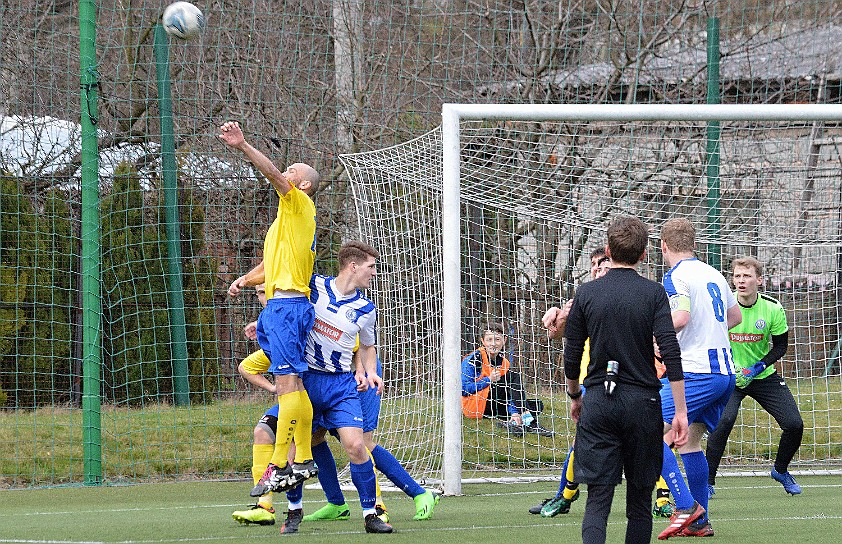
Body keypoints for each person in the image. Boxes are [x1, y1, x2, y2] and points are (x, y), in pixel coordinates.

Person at [562, 215, 688, 544]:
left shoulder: (586, 293)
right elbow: (671, 353)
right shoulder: (654, 293)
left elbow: (572, 355)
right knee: (639, 506)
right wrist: (681, 411)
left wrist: (576, 396)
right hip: (643, 405)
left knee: (598, 502)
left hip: (600, 402)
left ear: (607, 250)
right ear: (645, 254)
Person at [533, 250, 676, 519]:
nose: (599, 270)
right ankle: (565, 494)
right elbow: (557, 334)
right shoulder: (583, 298)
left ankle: (661, 498)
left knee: (651, 440)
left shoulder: (636, 295)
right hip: (595, 381)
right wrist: (555, 315)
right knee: (582, 442)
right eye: (595, 267)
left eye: (603, 266)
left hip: (634, 382)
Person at [220, 120, 321, 496]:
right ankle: (304, 458)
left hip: (287, 306)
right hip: (285, 306)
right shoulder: (285, 222)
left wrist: (243, 145)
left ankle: (282, 463)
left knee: (286, 386)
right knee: (290, 384)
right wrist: (245, 281)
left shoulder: (297, 202)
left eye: (293, 171)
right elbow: (270, 265)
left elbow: (274, 174)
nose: (285, 174)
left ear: (304, 184)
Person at [656, 218, 742, 540]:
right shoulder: (714, 273)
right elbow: (734, 317)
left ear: (663, 246)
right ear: (694, 244)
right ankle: (700, 522)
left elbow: (680, 317)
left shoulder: (675, 276)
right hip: (725, 373)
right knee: (690, 442)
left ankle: (686, 506)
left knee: (649, 431)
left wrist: (654, 336)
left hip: (697, 373)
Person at [303, 350, 441, 523]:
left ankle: (407, 497)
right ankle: (336, 504)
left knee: (361, 443)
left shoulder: (352, 323)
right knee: (313, 437)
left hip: (358, 376)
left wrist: (363, 370)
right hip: (325, 379)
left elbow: (362, 343)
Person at [706, 256, 803, 496]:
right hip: (730, 376)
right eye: (737, 276)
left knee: (794, 424)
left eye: (746, 276)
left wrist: (757, 368)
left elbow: (780, 346)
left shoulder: (772, 308)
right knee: (723, 422)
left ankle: (780, 470)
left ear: (759, 280)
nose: (741, 281)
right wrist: (729, 367)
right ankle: (707, 482)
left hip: (762, 375)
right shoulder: (723, 307)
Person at [461, 322, 553, 436]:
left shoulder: (504, 362)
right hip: (475, 407)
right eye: (489, 340)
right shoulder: (473, 360)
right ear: (482, 341)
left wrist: (514, 412)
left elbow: (508, 392)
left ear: (504, 340)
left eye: (497, 339)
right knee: (514, 376)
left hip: (493, 405)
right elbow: (464, 390)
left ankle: (513, 421)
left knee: (537, 405)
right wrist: (488, 380)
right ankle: (530, 422)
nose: (493, 344)